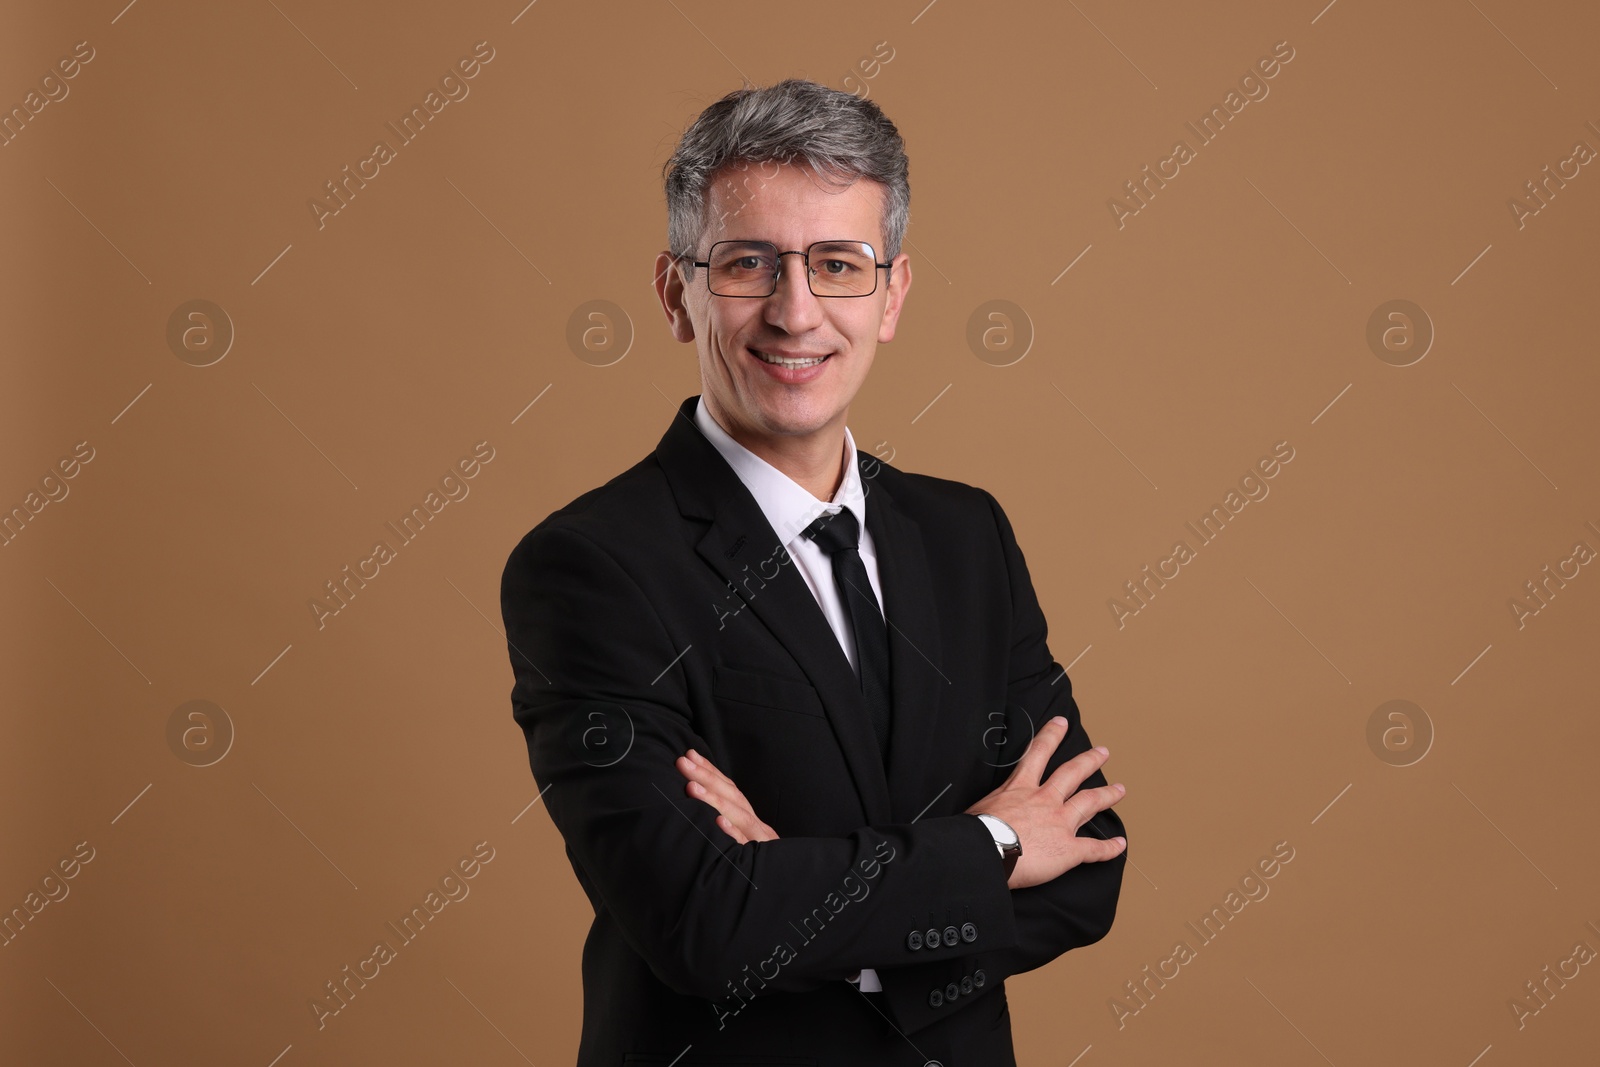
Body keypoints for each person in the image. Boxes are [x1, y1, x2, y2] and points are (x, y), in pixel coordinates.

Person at [500, 77, 1128, 1066]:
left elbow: (1087, 872)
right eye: (750, 263)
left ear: (891, 295)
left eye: (838, 264)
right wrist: (991, 848)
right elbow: (702, 924)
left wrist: (795, 889)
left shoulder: (967, 535)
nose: (796, 313)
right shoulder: (592, 566)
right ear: (678, 292)